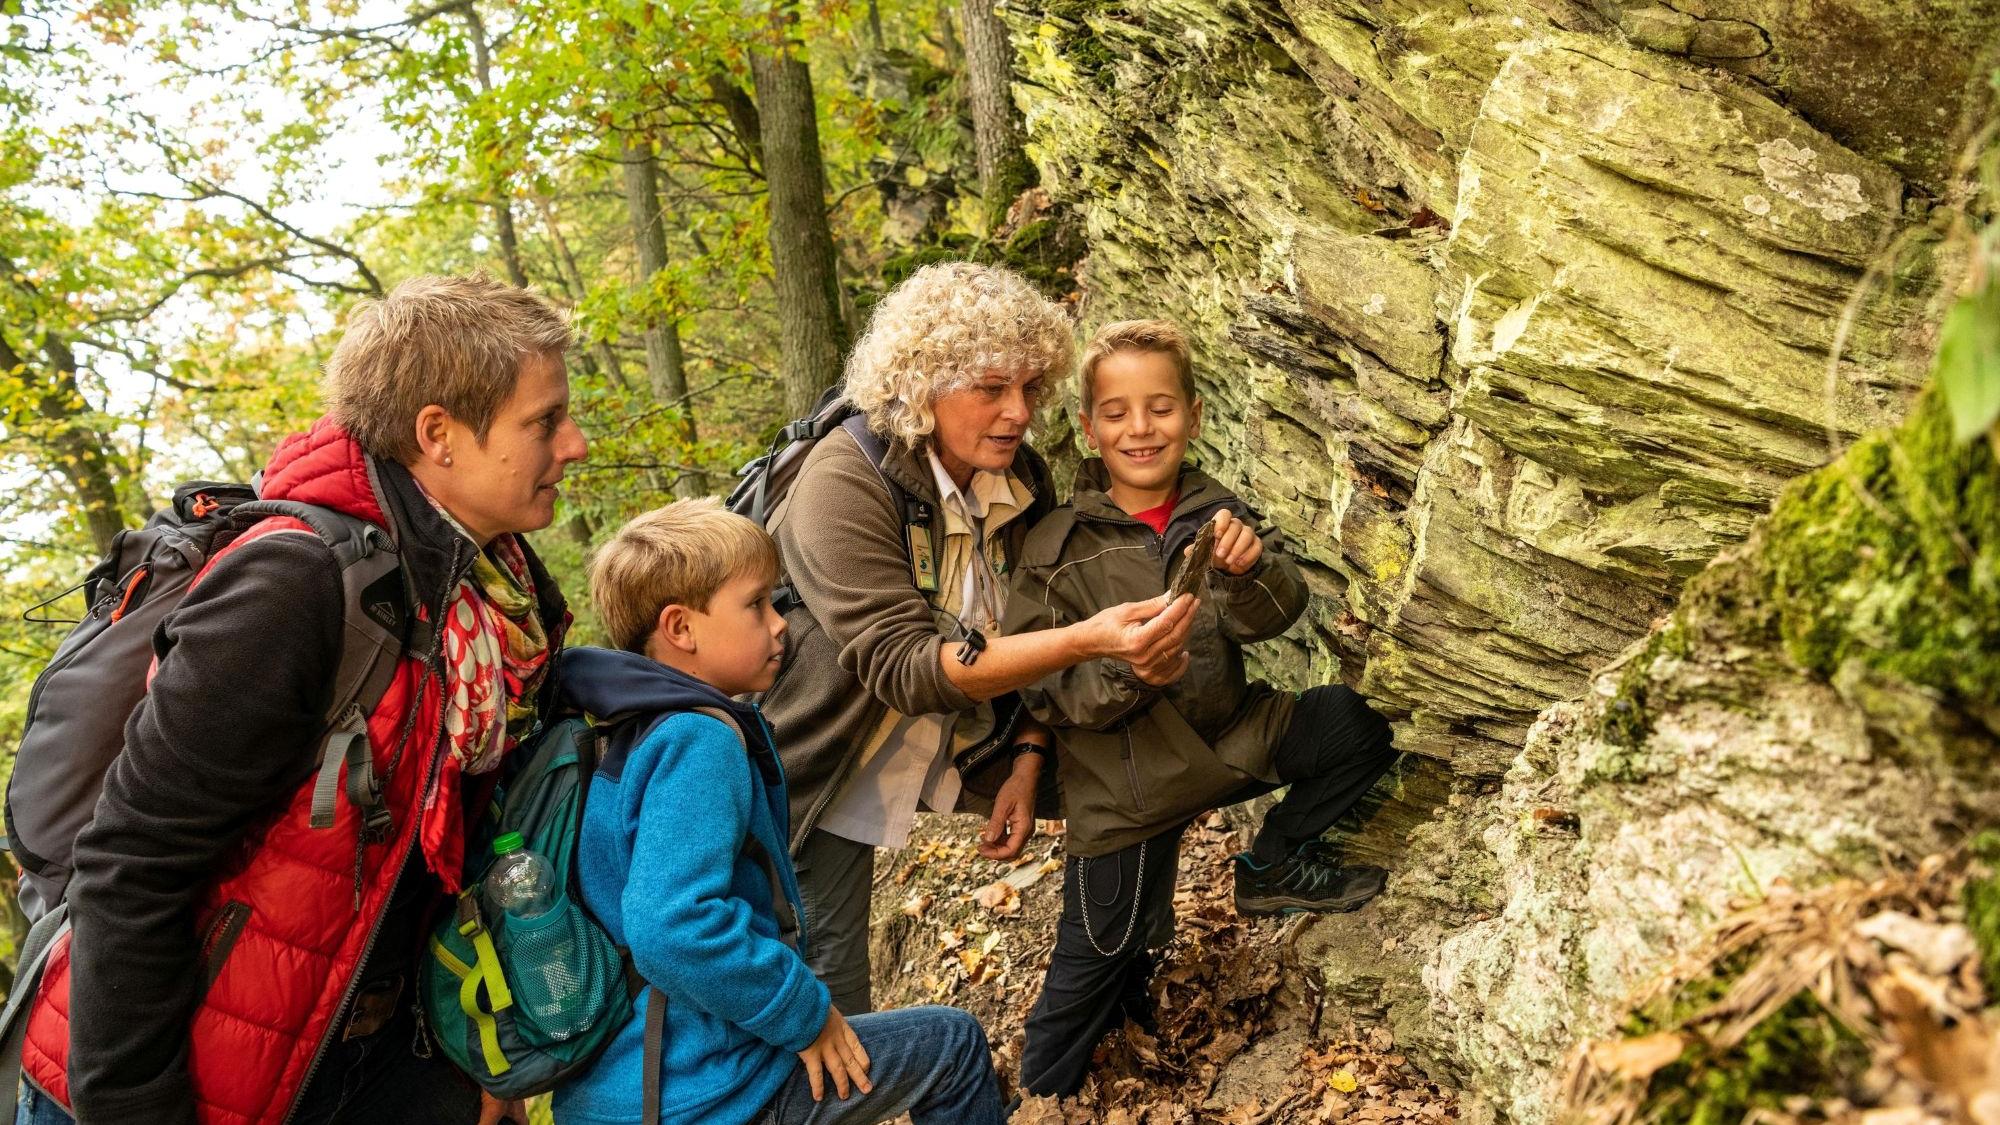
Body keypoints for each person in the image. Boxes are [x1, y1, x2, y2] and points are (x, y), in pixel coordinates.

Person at [16, 275, 587, 1125]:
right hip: (182, 1081)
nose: (574, 444)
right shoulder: (297, 585)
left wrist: (453, 1070)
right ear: (439, 435)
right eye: (544, 421)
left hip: (364, 1056)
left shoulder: (488, 590)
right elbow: (131, 865)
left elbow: (428, 848)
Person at [757, 263, 1202, 1018]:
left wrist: (1030, 757)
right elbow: (904, 667)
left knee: (1148, 763)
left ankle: (1114, 975)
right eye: (991, 388)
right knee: (830, 994)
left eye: (1030, 387)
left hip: (968, 735)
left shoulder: (1020, 476)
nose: (1018, 411)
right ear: (920, 383)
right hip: (820, 759)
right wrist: (1087, 639)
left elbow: (1032, 622)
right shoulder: (844, 481)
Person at [1002, 319, 1402, 1098]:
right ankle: (1037, 1098)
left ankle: (1274, 859)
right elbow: (1046, 692)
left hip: (1233, 736)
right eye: (1116, 412)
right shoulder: (1056, 547)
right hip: (1128, 786)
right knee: (1102, 955)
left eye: (1160, 407)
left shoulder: (1218, 510)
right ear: (1088, 427)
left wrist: (1251, 572)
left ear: (1192, 415)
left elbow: (1273, 615)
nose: (1140, 428)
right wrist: (1131, 671)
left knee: (1362, 723)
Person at [554, 498, 1005, 1125]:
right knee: (950, 1045)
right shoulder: (697, 740)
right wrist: (805, 1015)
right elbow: (671, 926)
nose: (780, 624)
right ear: (680, 628)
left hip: (624, 1086)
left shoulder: (619, 731)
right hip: (702, 1091)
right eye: (756, 604)